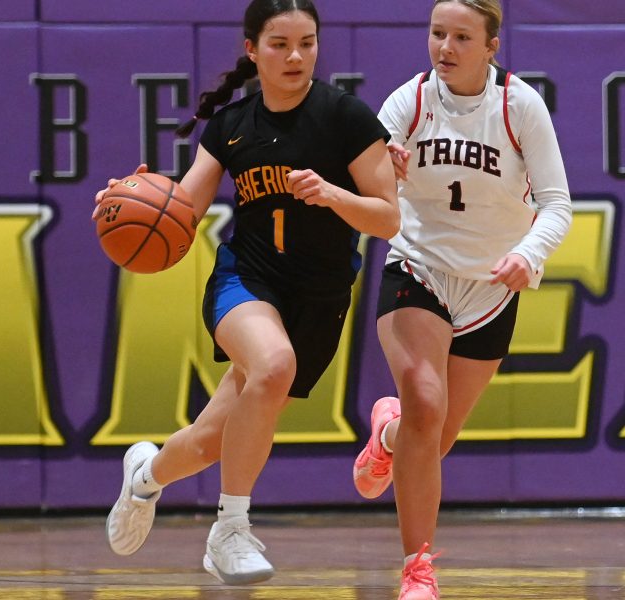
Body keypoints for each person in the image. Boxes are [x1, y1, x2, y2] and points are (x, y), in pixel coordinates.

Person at [94, 0, 400, 586]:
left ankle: (145, 477)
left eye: (307, 43)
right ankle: (230, 530)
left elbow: (388, 218)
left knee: (210, 441)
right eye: (280, 44)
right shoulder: (231, 126)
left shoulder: (346, 117)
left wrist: (332, 195)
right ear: (252, 50)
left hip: (320, 298)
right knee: (273, 362)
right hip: (247, 281)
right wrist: (129, 199)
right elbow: (180, 210)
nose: (296, 56)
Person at [351, 0, 573, 598]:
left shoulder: (519, 106)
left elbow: (557, 203)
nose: (445, 47)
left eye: (461, 37)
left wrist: (528, 254)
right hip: (417, 266)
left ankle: (388, 435)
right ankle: (417, 571)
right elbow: (363, 184)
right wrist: (382, 168)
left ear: (491, 46)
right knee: (426, 404)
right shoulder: (409, 101)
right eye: (437, 33)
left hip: (490, 287)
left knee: (431, 439)